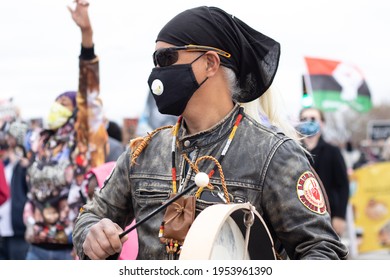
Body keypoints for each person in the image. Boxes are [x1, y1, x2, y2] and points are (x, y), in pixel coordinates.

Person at [73, 6, 348, 260]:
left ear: (210, 63)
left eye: (166, 58)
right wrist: (92, 233)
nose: (157, 71)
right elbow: (90, 216)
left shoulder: (273, 154)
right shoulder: (142, 152)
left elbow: (322, 249)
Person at [23, 0, 108, 260]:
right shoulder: (40, 141)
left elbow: (90, 95)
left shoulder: (81, 139)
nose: (55, 108)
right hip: (35, 249)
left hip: (68, 252)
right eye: (55, 102)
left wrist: (87, 37)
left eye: (63, 104)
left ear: (75, 111)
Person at [298, 107, 350, 237]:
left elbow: (343, 186)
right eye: (304, 119)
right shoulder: (294, 151)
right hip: (300, 217)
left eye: (313, 119)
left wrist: (340, 216)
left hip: (328, 215)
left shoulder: (333, 151)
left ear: (322, 123)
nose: (308, 122)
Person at [0, 121, 30, 260]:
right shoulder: (7, 160)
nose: (7, 140)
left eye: (11, 136)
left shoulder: (25, 163)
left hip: (17, 227)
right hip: (5, 225)